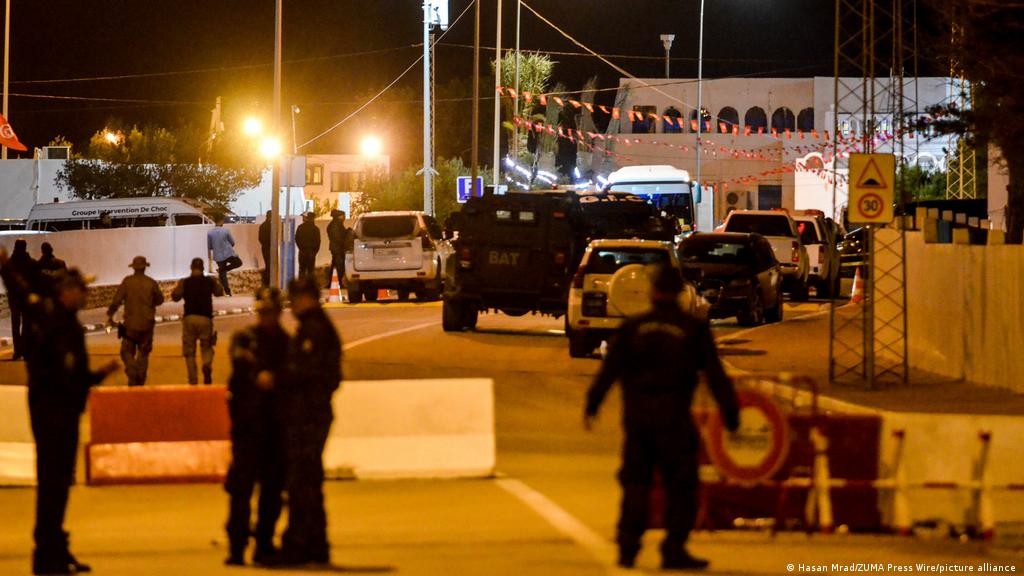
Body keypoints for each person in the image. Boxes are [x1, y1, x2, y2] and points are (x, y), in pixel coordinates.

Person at [584, 264, 740, 571]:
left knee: (636, 483)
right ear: (680, 293)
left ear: (652, 291)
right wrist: (731, 413)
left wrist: (593, 404)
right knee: (681, 487)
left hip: (639, 420)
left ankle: (628, 548)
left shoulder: (633, 327)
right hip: (675, 419)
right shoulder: (693, 329)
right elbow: (715, 375)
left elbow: (609, 371)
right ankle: (674, 548)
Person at [0, 252, 119, 576]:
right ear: (66, 291)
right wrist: (6, 267)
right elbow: (22, 293)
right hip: (51, 414)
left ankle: (55, 547)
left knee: (60, 485)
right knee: (52, 486)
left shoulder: (69, 324)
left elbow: (76, 376)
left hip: (65, 414)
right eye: (81, 290)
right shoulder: (49, 316)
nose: (85, 295)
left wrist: (99, 375)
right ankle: (46, 554)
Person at [224, 287, 289, 566]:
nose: (266, 317)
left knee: (272, 490)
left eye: (270, 312)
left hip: (273, 428)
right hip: (248, 428)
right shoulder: (245, 339)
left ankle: (264, 543)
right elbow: (239, 364)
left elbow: (291, 378)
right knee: (241, 489)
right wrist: (258, 374)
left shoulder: (286, 344)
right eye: (263, 312)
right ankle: (237, 546)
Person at [279, 276, 342, 565]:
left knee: (302, 481)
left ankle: (302, 543)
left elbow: (315, 374)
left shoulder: (315, 330)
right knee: (306, 481)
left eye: (295, 299)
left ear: (306, 299)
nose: (292, 305)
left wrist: (283, 379)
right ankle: (312, 544)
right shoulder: (313, 326)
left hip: (310, 415)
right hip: (308, 413)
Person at [107, 256, 164, 387]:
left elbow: (117, 300)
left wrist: (110, 314)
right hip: (147, 324)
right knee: (143, 353)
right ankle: (140, 378)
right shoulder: (151, 283)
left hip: (130, 325)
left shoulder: (127, 282)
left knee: (126, 352)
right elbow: (160, 300)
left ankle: (132, 369)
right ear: (145, 268)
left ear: (133, 268)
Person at [171, 257, 224, 385]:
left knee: (189, 351)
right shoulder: (209, 281)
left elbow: (175, 296)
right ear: (203, 268)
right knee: (207, 347)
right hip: (206, 318)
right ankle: (206, 364)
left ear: (191, 268)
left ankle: (193, 380)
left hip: (190, 318)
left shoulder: (185, 282)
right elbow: (219, 292)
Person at [4, 238, 37, 360]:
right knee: (26, 325)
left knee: (16, 325)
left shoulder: (9, 263)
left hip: (14, 298)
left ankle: (18, 350)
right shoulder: (31, 262)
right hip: (26, 298)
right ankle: (25, 349)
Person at [208, 214, 240, 296]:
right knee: (238, 263)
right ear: (221, 221)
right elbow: (232, 242)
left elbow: (210, 246)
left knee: (223, 275)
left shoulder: (210, 233)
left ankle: (227, 292)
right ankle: (223, 270)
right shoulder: (226, 231)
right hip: (228, 253)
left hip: (218, 256)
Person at [325, 210, 350, 289]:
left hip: (337, 248)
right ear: (339, 216)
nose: (344, 217)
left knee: (335, 266)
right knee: (339, 267)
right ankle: (338, 283)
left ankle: (331, 283)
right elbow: (337, 238)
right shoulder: (335, 225)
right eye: (343, 216)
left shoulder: (337, 224)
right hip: (337, 249)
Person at [294, 212, 321, 283]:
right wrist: (314, 251)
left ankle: (301, 284)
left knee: (302, 269)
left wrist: (301, 248)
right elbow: (318, 241)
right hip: (311, 251)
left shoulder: (300, 227)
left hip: (302, 251)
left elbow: (297, 239)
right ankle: (310, 285)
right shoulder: (315, 229)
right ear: (313, 219)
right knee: (310, 270)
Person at [258, 210, 272, 286]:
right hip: (269, 248)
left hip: (265, 247)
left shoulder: (262, 225)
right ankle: (268, 283)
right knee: (270, 266)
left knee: (268, 264)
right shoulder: (271, 226)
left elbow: (260, 238)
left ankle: (267, 283)